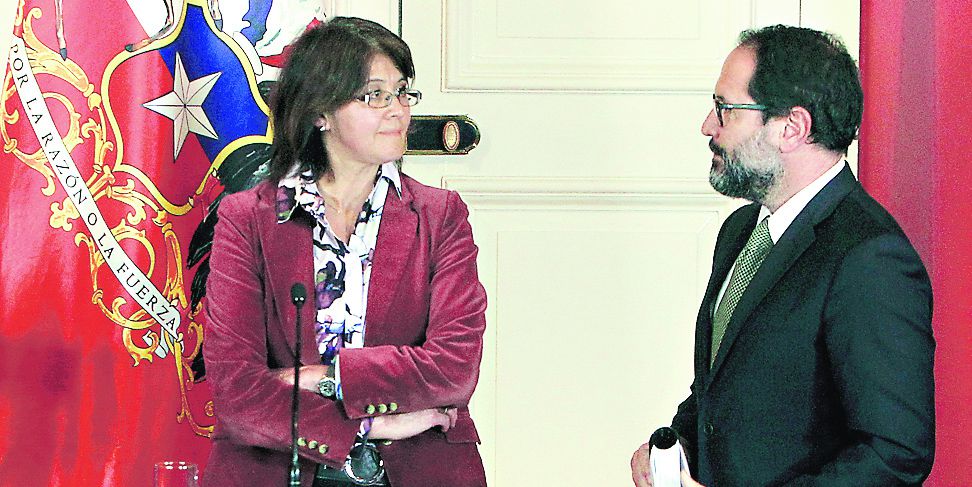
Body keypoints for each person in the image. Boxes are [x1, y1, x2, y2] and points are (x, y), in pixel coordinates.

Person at [631, 25, 934, 486]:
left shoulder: (871, 258)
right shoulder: (740, 232)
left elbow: (894, 453)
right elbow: (723, 386)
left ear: (792, 128)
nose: (708, 126)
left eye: (725, 110)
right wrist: (674, 446)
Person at [203, 17, 488, 487]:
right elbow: (237, 390)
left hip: (419, 466)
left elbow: (453, 369)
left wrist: (323, 378)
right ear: (321, 112)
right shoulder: (247, 219)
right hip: (280, 466)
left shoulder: (441, 216)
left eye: (402, 92)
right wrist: (366, 424)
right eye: (374, 95)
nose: (397, 110)